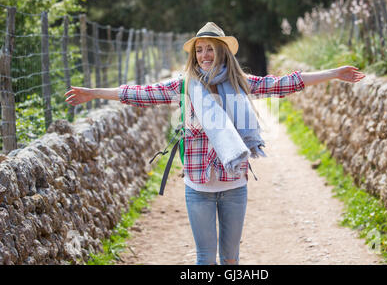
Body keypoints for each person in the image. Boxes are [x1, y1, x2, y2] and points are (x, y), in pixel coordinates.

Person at [64, 22, 365, 265]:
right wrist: (93, 92)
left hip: (234, 185)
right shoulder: (183, 87)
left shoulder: (239, 84)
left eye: (210, 49)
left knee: (231, 259)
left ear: (223, 52)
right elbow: (141, 93)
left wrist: (334, 74)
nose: (205, 55)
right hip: (198, 188)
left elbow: (282, 83)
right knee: (205, 260)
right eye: (200, 50)